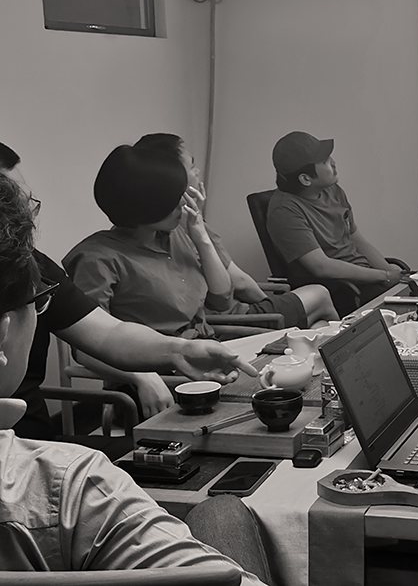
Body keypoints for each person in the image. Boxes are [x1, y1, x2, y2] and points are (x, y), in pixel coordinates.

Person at [0, 171, 266, 583]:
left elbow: (106, 332)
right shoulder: (72, 487)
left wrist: (179, 350)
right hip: (47, 454)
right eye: (38, 304)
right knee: (222, 509)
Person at [0, 142, 254, 440]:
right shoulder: (96, 257)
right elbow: (87, 352)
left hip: (33, 440)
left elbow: (108, 333)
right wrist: (146, 376)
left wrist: (180, 351)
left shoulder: (35, 265)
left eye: (25, 201)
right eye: (12, 204)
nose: (25, 214)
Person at [133, 132, 339, 325]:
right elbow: (238, 283)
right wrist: (270, 307)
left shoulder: (170, 223)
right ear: (174, 176)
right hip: (231, 320)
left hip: (226, 313)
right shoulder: (186, 223)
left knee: (319, 325)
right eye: (192, 166)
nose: (197, 171)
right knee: (321, 295)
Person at [266, 131, 403, 308]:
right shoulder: (284, 211)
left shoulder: (333, 190)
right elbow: (321, 267)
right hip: (344, 288)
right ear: (306, 179)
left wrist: (390, 271)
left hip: (367, 276)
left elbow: (357, 240)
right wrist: (384, 276)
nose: (333, 162)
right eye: (324, 161)